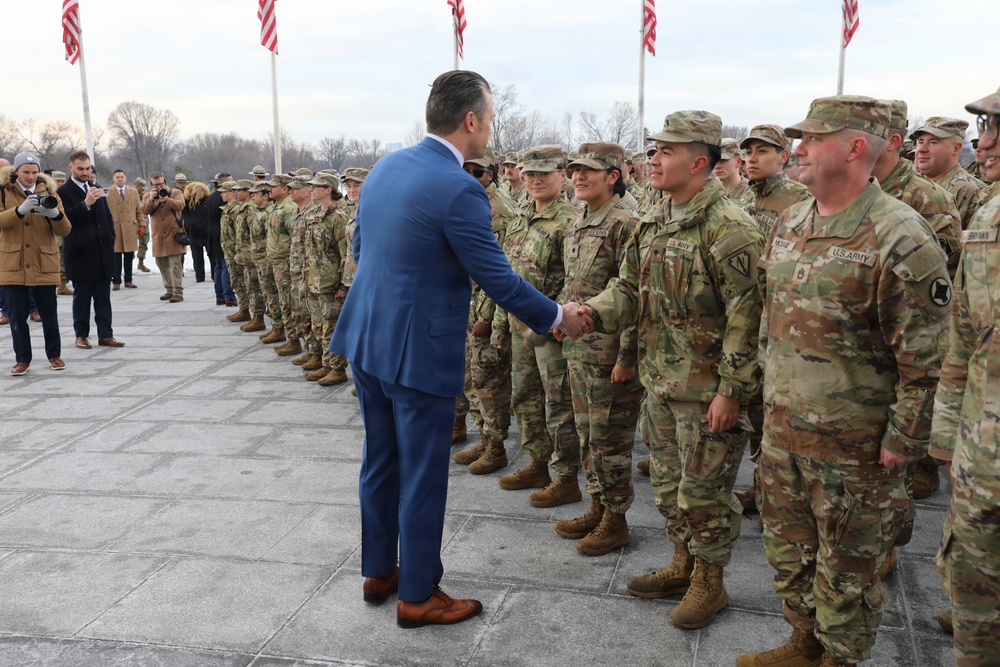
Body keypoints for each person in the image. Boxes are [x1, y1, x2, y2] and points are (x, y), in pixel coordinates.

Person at [328, 70, 591, 628]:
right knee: (422, 474)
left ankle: (379, 571)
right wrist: (557, 316)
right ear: (471, 121)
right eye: (491, 118)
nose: (490, 129)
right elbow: (498, 278)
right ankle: (418, 594)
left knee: (380, 460)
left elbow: (360, 245)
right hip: (414, 351)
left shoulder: (386, 167)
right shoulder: (459, 189)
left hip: (365, 338)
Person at [738, 96, 950, 667]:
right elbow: (769, 316)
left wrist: (902, 444)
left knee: (848, 573)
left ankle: (839, 658)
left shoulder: (901, 235)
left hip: (857, 453)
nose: (798, 150)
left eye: (813, 139)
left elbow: (927, 363)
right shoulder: (791, 220)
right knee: (789, 555)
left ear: (856, 147)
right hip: (783, 435)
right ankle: (803, 643)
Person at [580, 111, 763, 630]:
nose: (653, 159)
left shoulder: (730, 229)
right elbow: (629, 289)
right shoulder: (655, 219)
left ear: (699, 162)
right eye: (653, 149)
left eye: (665, 151)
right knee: (667, 485)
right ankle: (682, 562)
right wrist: (589, 313)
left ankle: (711, 579)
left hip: (708, 393)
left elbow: (747, 320)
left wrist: (731, 391)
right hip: (660, 383)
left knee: (705, 494)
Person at [932, 88, 1000, 667]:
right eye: (987, 128)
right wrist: (947, 427)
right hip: (981, 450)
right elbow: (963, 332)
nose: (988, 141)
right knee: (972, 591)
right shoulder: (991, 214)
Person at [555, 142, 644, 556]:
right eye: (574, 170)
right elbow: (574, 283)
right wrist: (557, 318)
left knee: (610, 441)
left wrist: (628, 357)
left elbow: (633, 294)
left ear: (613, 176)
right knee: (589, 434)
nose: (578, 177)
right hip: (580, 350)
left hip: (610, 355)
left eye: (588, 171)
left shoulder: (626, 223)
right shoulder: (582, 218)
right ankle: (597, 504)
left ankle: (616, 519)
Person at [491, 145, 581, 508]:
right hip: (519, 328)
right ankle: (538, 462)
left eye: (544, 173)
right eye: (529, 174)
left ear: (561, 174)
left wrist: (552, 319)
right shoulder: (519, 217)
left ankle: (566, 476)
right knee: (525, 398)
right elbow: (506, 277)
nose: (535, 180)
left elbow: (575, 280)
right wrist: (500, 321)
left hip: (552, 331)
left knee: (558, 404)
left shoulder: (571, 219)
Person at [452, 149, 518, 473]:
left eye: (477, 172)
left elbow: (502, 271)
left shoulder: (499, 211)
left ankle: (496, 446)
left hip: (486, 308)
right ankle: (484, 437)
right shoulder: (471, 203)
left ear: (491, 174)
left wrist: (487, 316)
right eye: (465, 171)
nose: (470, 177)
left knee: (489, 381)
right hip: (468, 301)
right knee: (471, 378)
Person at [0, 152, 70, 375]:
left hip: (43, 260)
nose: (31, 176)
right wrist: (19, 210)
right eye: (25, 172)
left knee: (49, 313)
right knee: (17, 315)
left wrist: (54, 214)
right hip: (14, 260)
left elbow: (65, 229)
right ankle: (23, 359)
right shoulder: (3, 192)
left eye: (34, 171)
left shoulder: (49, 191)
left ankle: (55, 355)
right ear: (16, 171)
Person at [58, 150, 124, 350]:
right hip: (80, 254)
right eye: (81, 169)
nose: (85, 172)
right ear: (71, 168)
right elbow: (64, 220)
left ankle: (106, 334)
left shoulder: (97, 188)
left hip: (102, 253)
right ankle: (81, 335)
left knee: (103, 297)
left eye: (87, 168)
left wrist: (110, 238)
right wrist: (85, 204)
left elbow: (107, 219)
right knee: (82, 297)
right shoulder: (63, 192)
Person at [912, 116, 985, 229]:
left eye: (933, 142)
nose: (922, 149)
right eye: (920, 142)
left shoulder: (972, 192)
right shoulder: (909, 185)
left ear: (956, 148)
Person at [141, 171, 186, 303]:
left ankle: (178, 292)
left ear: (164, 181)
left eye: (161, 183)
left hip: (173, 234)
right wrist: (151, 199)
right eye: (155, 185)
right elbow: (144, 210)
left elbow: (181, 205)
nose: (159, 187)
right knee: (161, 264)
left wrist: (167, 199)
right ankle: (169, 289)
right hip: (158, 235)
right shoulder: (147, 196)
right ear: (151, 184)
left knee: (175, 264)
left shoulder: (175, 193)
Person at [106, 169, 143, 290]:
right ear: (113, 179)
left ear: (125, 178)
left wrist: (142, 224)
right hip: (115, 227)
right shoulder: (107, 192)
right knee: (115, 256)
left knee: (129, 255)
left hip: (129, 228)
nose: (120, 179)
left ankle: (129, 280)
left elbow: (139, 210)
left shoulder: (133, 192)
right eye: (117, 177)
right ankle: (116, 281)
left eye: (122, 177)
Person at [714, 138, 752, 207]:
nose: (717, 166)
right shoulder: (707, 192)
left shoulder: (753, 195)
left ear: (738, 162)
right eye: (713, 161)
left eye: (723, 160)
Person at [133, 177, 151, 273]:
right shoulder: (130, 195)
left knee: (144, 243)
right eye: (141, 187)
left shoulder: (145, 196)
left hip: (144, 222)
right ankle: (128, 264)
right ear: (136, 186)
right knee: (131, 244)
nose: (143, 189)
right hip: (132, 223)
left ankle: (141, 262)